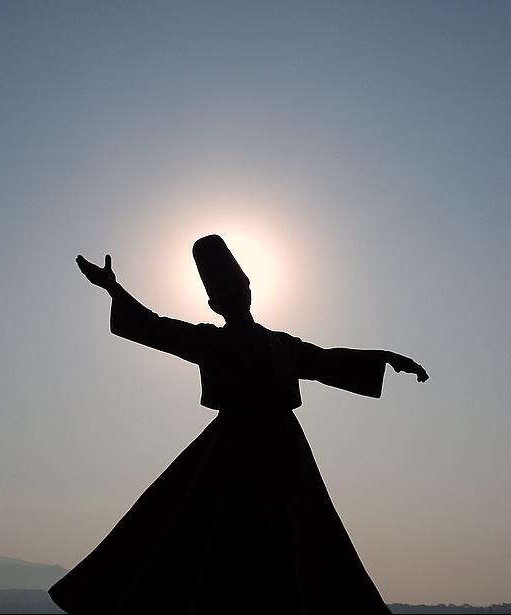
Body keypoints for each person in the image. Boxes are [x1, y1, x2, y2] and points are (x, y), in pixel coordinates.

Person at [49, 235, 428, 614]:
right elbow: (155, 327)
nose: (235, 295)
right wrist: (113, 289)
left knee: (300, 539)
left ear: (248, 289)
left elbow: (325, 361)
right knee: (205, 535)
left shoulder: (282, 345)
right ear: (214, 304)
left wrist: (385, 357)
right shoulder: (207, 341)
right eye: (224, 292)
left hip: (284, 452)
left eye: (238, 286)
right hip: (231, 449)